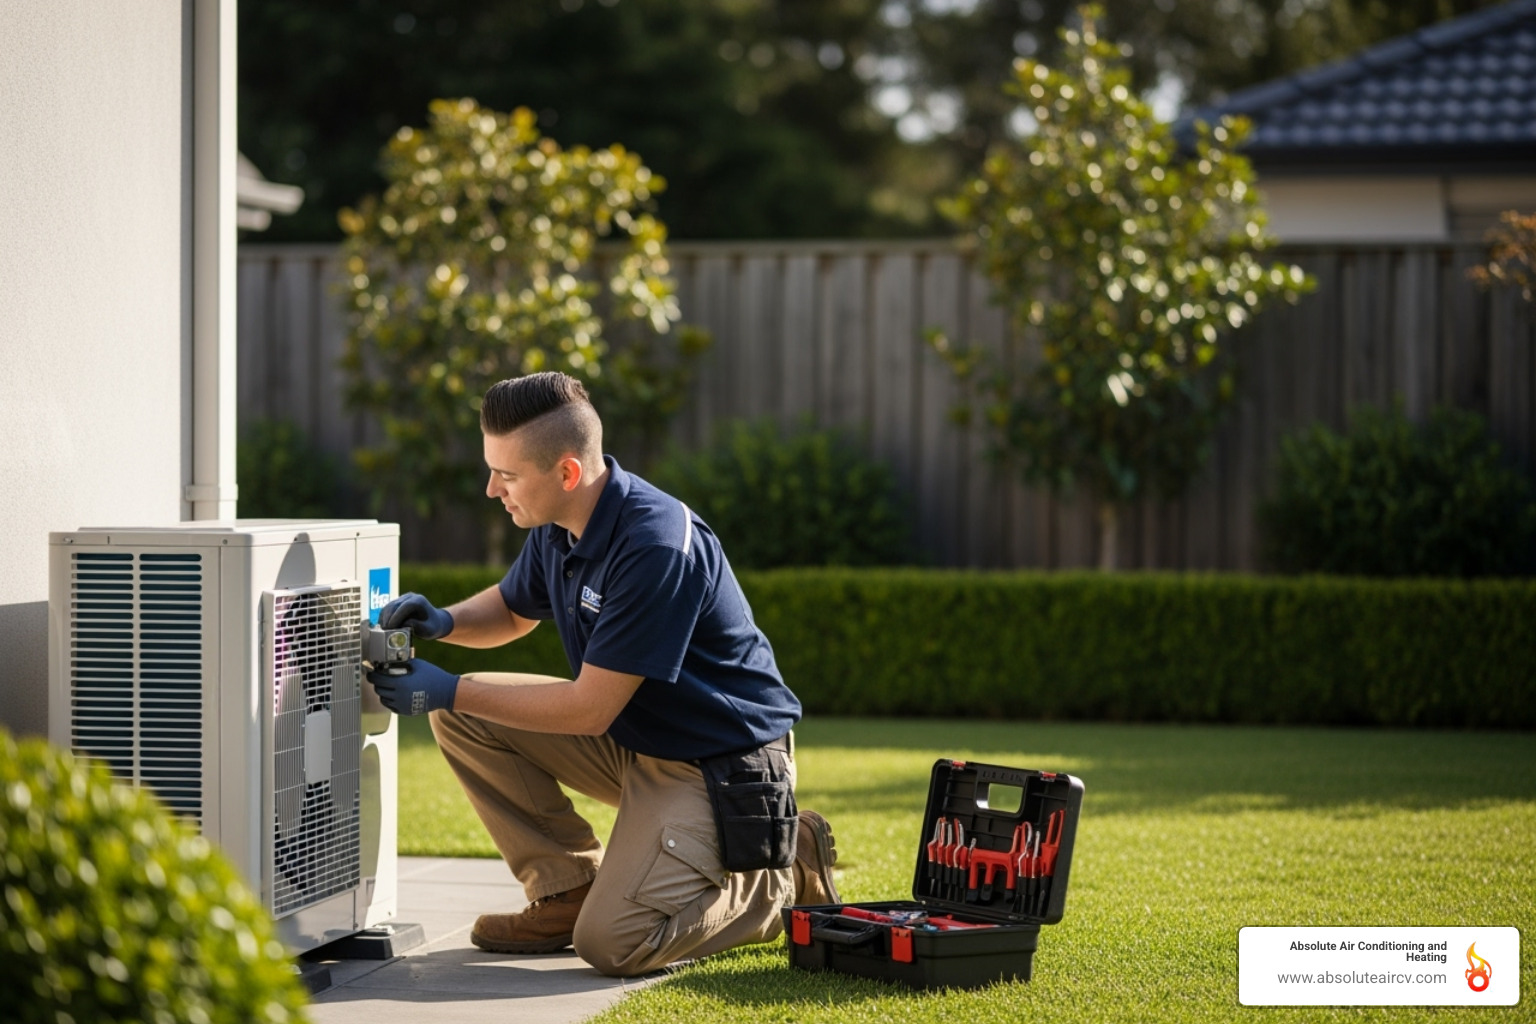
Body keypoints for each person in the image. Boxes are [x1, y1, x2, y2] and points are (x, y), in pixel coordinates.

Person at [365, 371, 841, 978]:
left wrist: (450, 685)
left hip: (719, 764)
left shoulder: (655, 546)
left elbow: (590, 708)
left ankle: (780, 876)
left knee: (615, 944)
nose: (491, 489)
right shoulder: (561, 525)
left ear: (566, 472)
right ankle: (565, 890)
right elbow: (513, 610)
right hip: (637, 739)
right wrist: (442, 621)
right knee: (463, 715)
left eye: (506, 475)